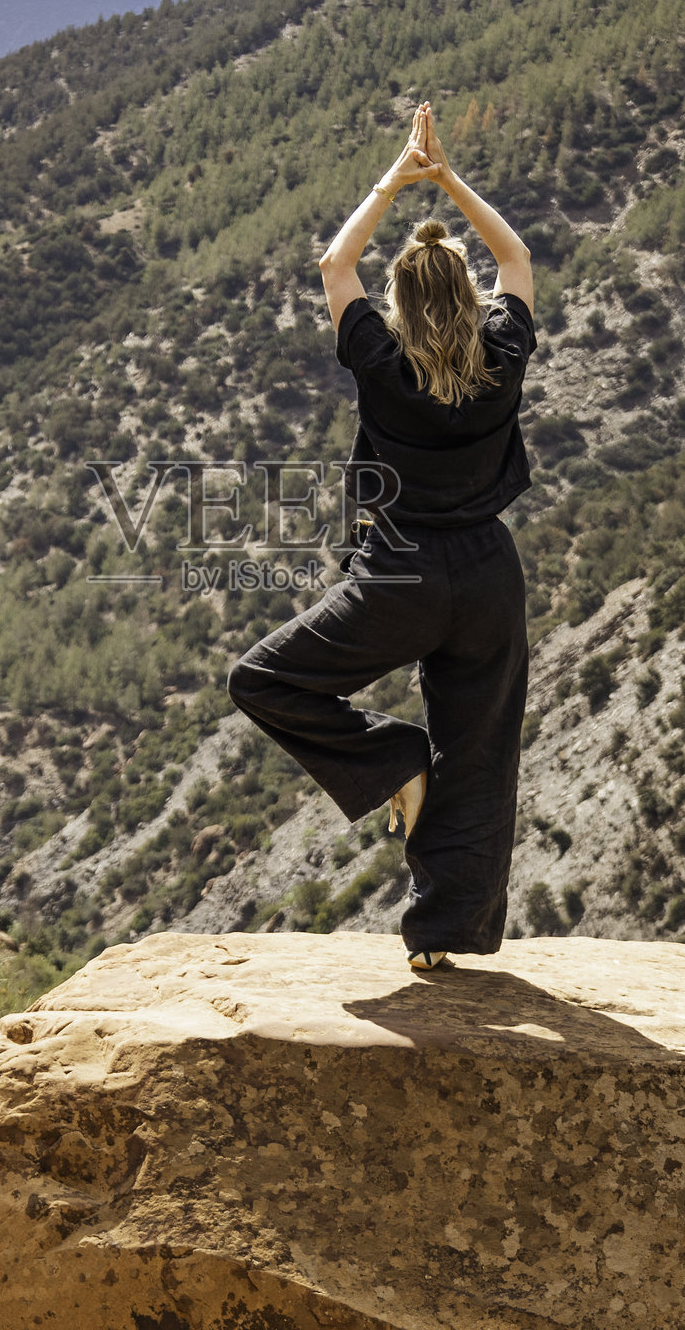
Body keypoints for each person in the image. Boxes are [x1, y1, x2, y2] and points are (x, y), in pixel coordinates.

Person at [227, 102, 535, 971]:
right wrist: (447, 182)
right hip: (485, 574)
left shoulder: (381, 361)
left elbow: (334, 260)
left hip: (397, 573)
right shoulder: (503, 353)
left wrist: (395, 180)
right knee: (478, 750)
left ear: (397, 303)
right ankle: (442, 937)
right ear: (470, 297)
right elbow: (514, 257)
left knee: (265, 680)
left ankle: (393, 756)